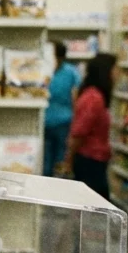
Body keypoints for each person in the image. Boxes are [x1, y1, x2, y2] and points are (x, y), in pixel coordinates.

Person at [62, 53, 115, 200]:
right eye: (115, 69)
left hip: (93, 159)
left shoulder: (94, 95)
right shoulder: (94, 98)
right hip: (90, 161)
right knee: (94, 207)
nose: (117, 74)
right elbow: (79, 133)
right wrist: (69, 161)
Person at [44, 40, 80, 176]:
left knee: (59, 162)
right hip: (45, 124)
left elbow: (75, 99)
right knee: (46, 163)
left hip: (63, 125)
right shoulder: (46, 70)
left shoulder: (71, 72)